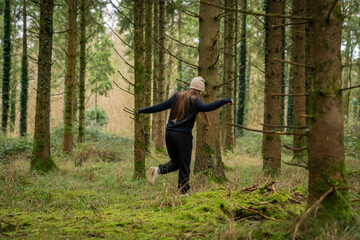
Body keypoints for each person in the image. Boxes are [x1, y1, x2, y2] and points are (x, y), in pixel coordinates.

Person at [137, 76, 233, 195]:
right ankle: (183, 192)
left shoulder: (177, 96)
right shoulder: (195, 99)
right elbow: (207, 107)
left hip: (169, 133)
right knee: (185, 164)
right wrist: (225, 101)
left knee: (176, 162)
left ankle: (157, 170)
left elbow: (160, 107)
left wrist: (142, 110)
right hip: (183, 136)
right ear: (200, 91)